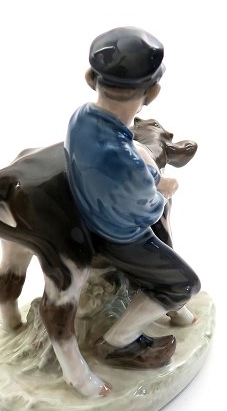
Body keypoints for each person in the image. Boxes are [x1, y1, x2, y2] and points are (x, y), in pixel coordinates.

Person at [65, 27, 200, 368]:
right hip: (119, 235)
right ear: (152, 92)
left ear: (90, 79)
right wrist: (163, 190)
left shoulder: (79, 118)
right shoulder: (127, 161)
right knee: (184, 284)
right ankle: (118, 342)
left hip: (87, 214)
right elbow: (147, 212)